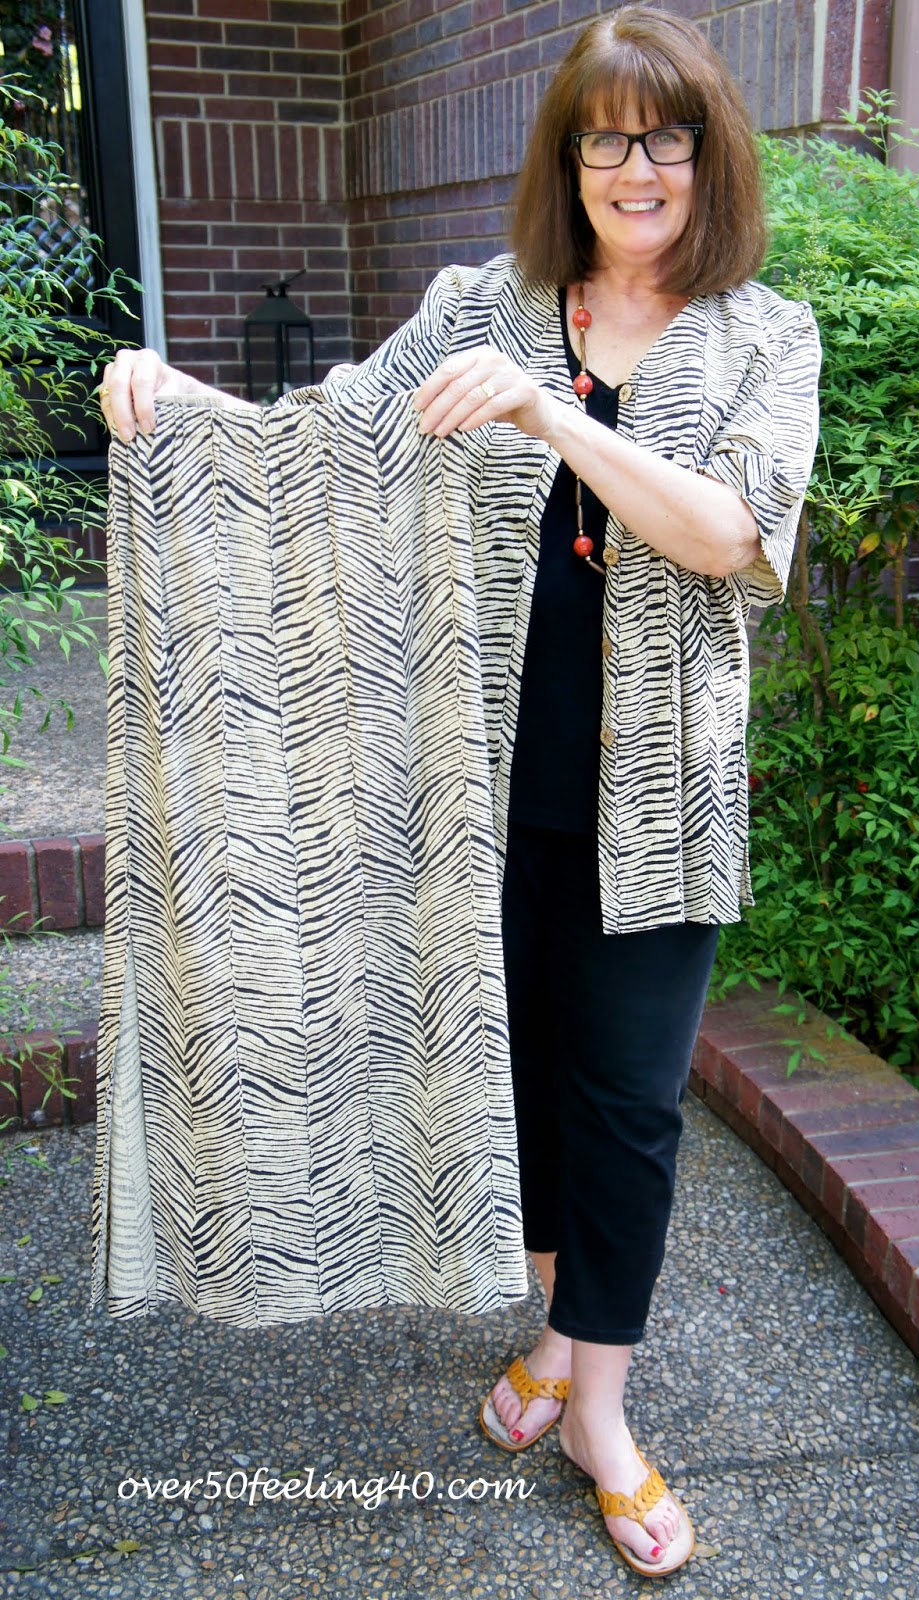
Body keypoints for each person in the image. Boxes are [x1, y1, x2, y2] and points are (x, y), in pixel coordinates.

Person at [99, 4, 820, 1577]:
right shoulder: (484, 304)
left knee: (627, 1108)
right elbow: (329, 442)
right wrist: (173, 403)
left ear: (711, 157)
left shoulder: (764, 337)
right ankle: (559, 1336)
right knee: (522, 1086)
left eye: (666, 135)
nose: (636, 167)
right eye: (604, 139)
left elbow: (731, 536)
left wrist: (551, 413)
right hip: (470, 790)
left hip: (657, 807)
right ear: (568, 160)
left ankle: (599, 1415)